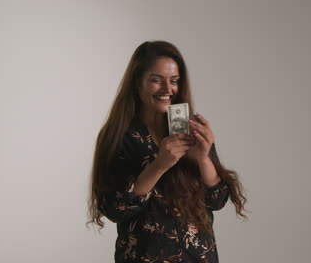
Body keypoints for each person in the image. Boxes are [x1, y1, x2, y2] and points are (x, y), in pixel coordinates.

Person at [87, 40, 247, 263]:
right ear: (136, 82)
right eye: (156, 80)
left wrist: (203, 158)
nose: (167, 89)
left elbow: (218, 200)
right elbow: (115, 208)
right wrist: (160, 165)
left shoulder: (190, 129)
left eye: (174, 81)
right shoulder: (119, 135)